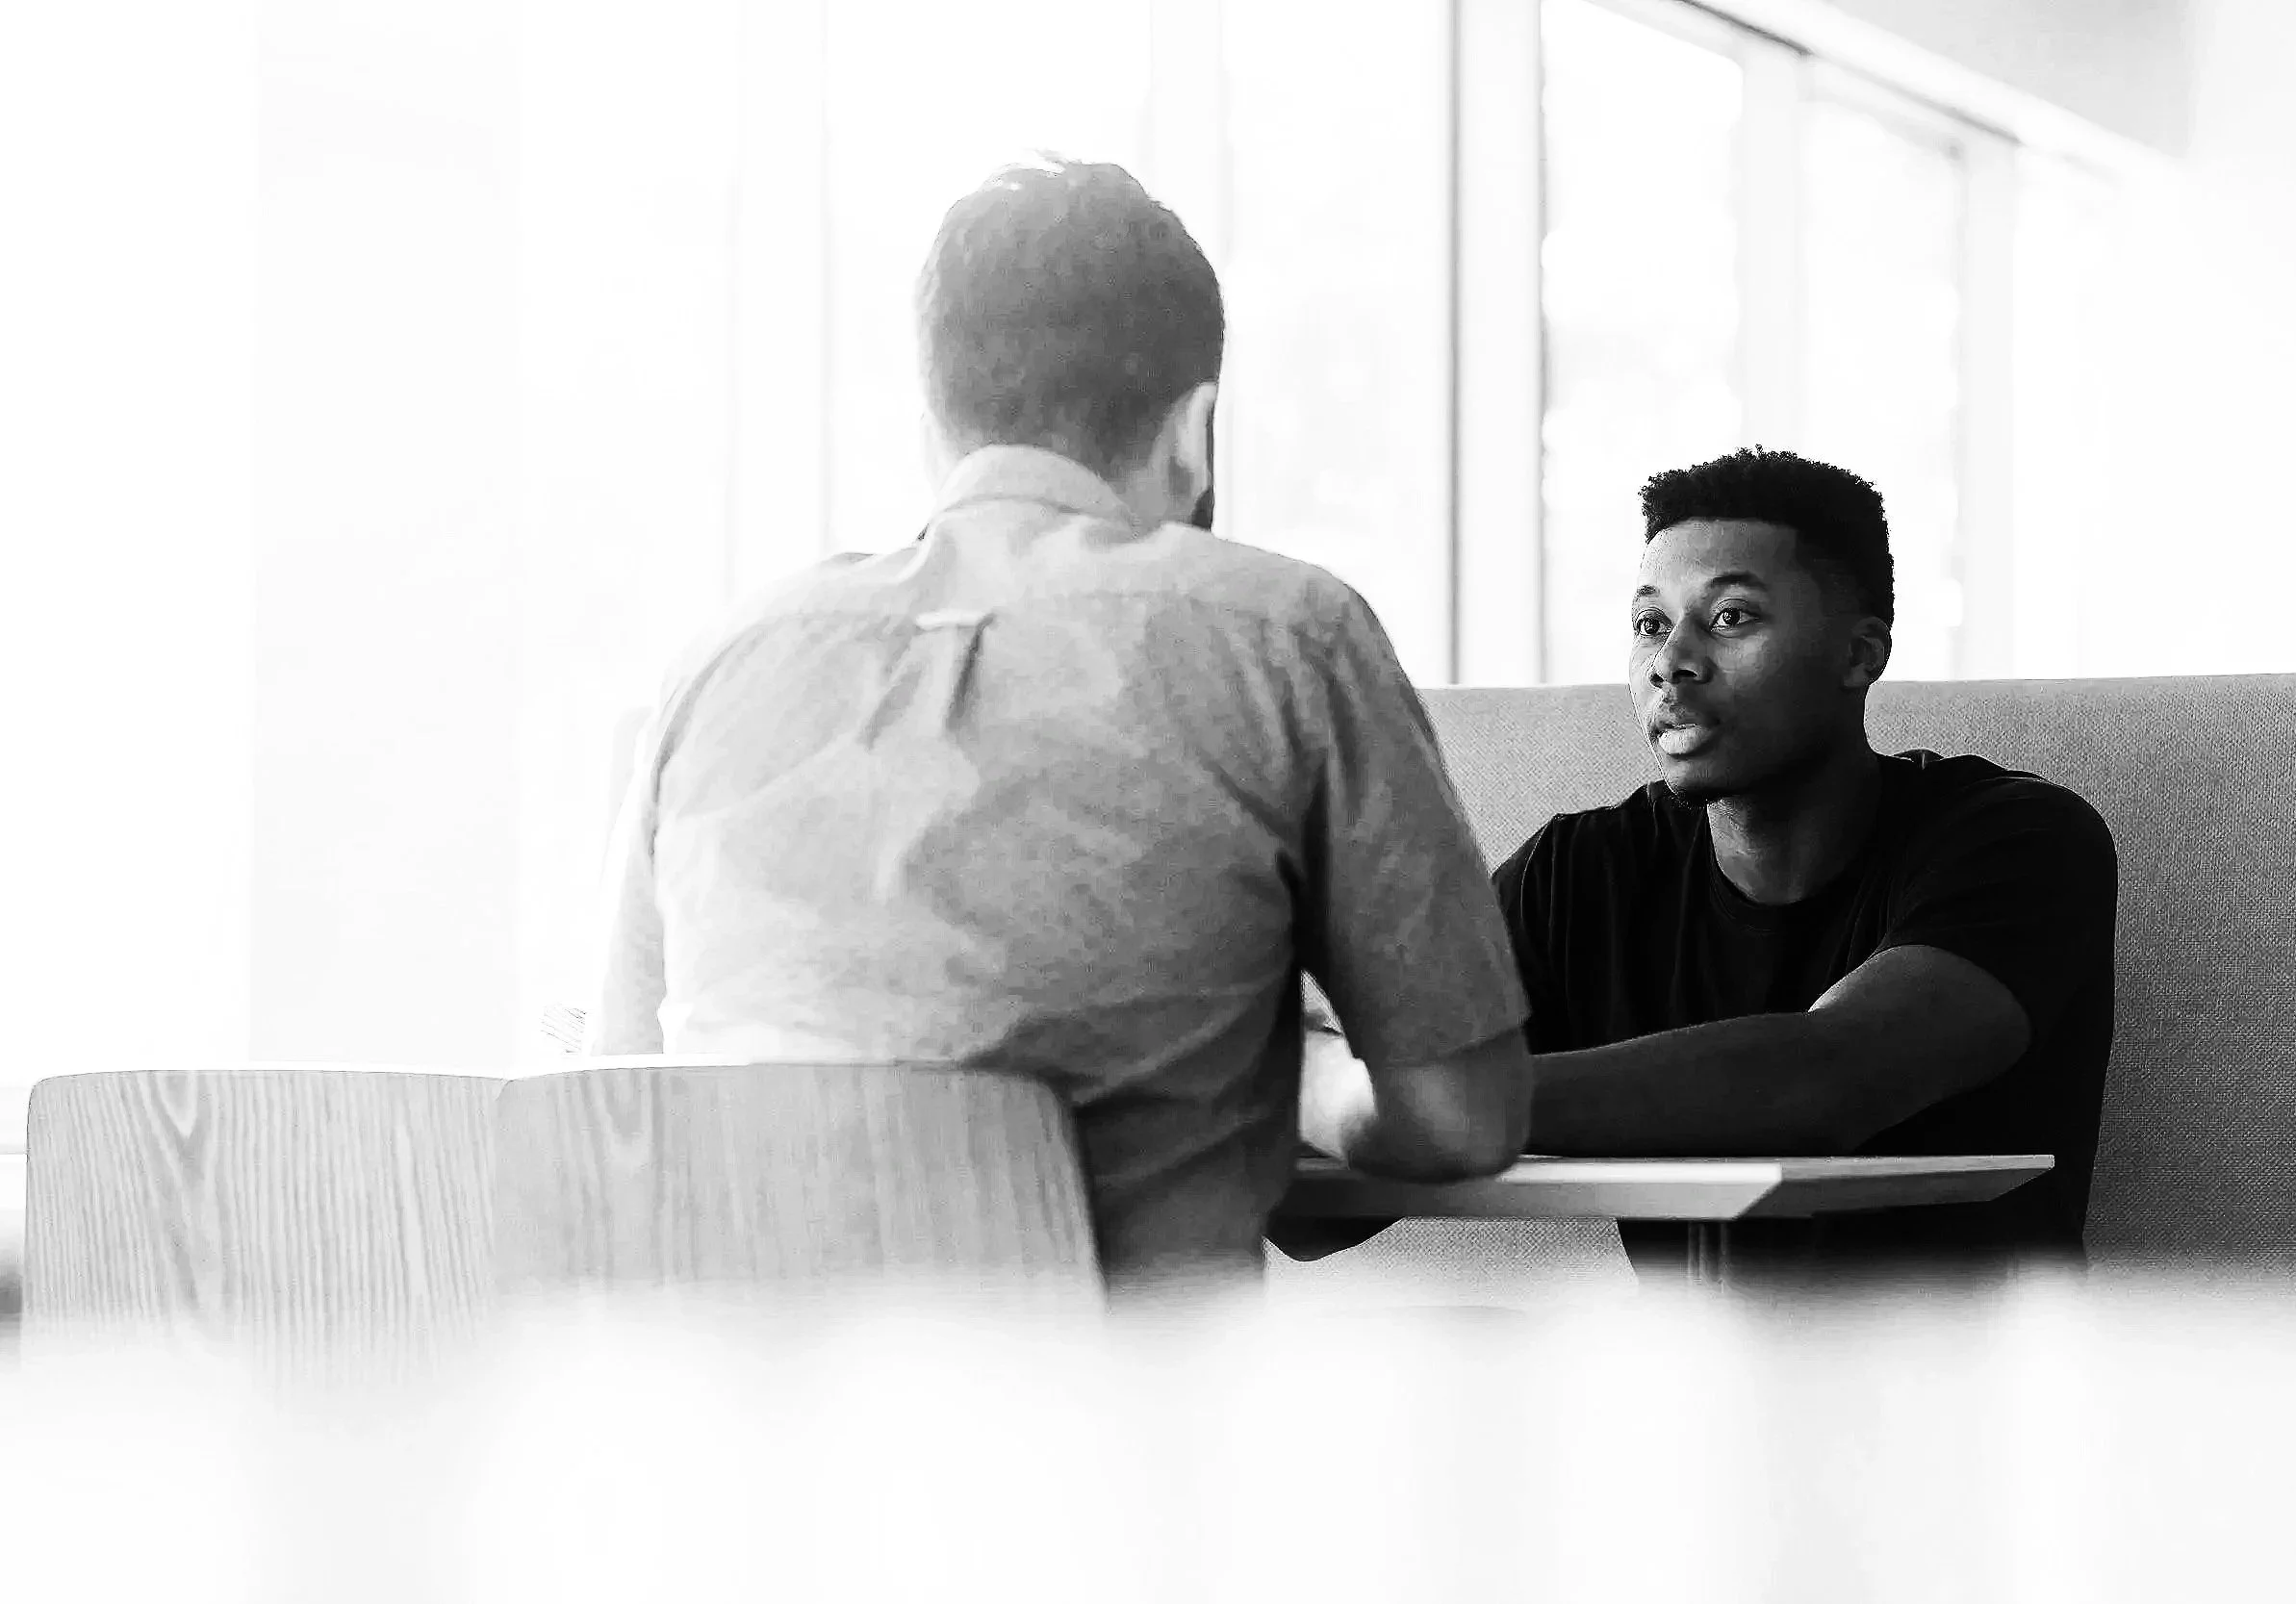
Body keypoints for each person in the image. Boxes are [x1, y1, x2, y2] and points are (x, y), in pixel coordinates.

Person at [584, 157, 1533, 1298]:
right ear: (1197, 430)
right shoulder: (1288, 633)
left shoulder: (718, 662)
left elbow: (621, 1093)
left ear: (937, 420)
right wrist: (1311, 1075)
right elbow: (1462, 1117)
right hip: (1125, 1438)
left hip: (740, 1431)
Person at [1285, 447, 2117, 1287]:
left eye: (1730, 618)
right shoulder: (1580, 877)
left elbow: (1828, 1075)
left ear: (1860, 654)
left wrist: (1411, 1099)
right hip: (1697, 1401)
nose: (1670, 661)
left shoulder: (2021, 839)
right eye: (1651, 623)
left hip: (1982, 1396)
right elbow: (1314, 1220)